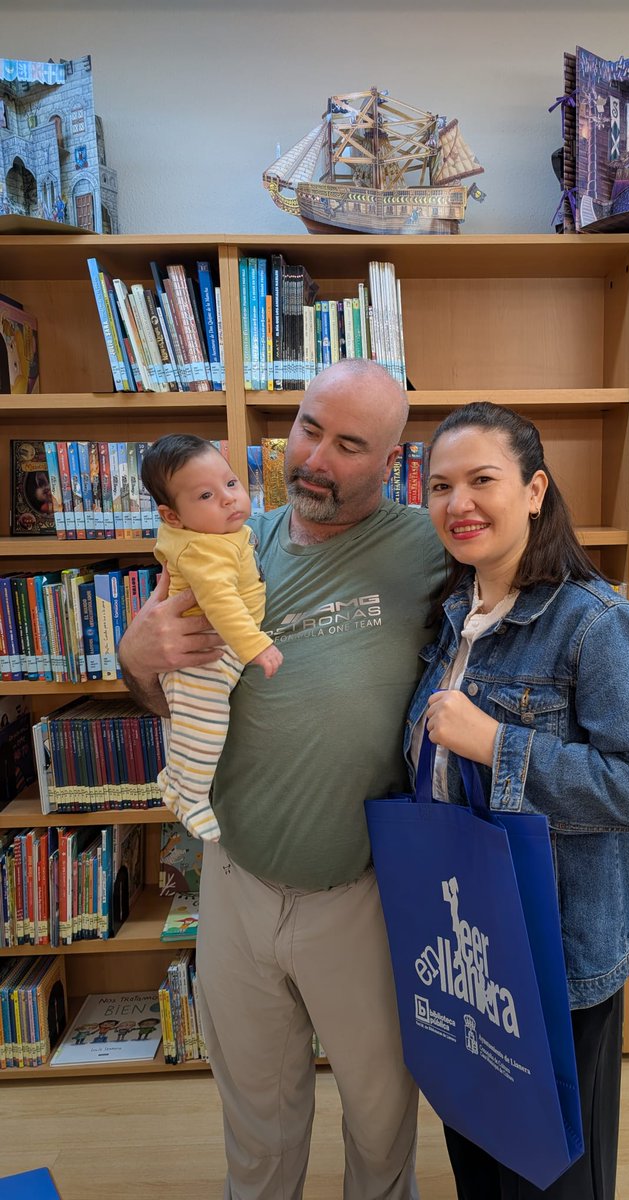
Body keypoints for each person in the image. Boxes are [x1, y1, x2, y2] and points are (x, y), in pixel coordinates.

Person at [118, 359, 446, 1200]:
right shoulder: (229, 543)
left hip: (361, 892)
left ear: (392, 460)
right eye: (309, 429)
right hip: (236, 880)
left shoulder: (428, 544)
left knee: (380, 1119)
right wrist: (135, 658)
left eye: (349, 445)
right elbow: (163, 693)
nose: (316, 459)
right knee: (257, 1123)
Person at [405, 402, 629, 1200]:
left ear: (534, 491)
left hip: (555, 951)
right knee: (479, 1149)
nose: (459, 503)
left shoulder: (595, 623)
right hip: (467, 948)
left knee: (552, 1174)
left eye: (482, 480)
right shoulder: (453, 616)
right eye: (440, 486)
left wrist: (498, 744)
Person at [140, 434, 283, 841]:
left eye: (231, 483)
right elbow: (221, 603)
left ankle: (175, 781)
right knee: (206, 730)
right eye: (206, 495)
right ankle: (189, 796)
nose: (228, 499)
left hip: (214, 652)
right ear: (172, 516)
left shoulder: (219, 535)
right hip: (201, 656)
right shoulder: (203, 550)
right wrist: (256, 646)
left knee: (193, 729)